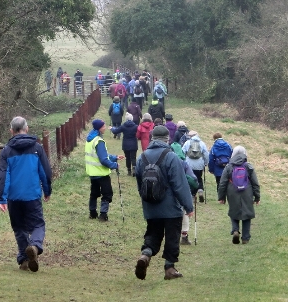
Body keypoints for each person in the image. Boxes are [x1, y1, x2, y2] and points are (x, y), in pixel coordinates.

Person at [134, 125, 194, 280]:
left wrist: (146, 202)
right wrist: (188, 206)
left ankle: (145, 254)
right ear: (167, 138)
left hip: (151, 207)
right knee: (172, 236)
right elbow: (179, 184)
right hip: (171, 208)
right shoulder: (171, 156)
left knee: (153, 233)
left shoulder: (142, 157)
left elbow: (139, 183)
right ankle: (169, 268)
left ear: (152, 138)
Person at [0, 116, 52, 272]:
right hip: (32, 195)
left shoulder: (6, 151)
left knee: (19, 227)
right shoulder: (37, 148)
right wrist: (47, 190)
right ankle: (34, 246)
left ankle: (24, 260)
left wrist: (2, 197)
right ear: (26, 129)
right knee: (38, 224)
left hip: (14, 197)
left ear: (11, 131)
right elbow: (45, 171)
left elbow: (3, 176)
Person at [218, 146, 260, 244]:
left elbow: (223, 183)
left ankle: (235, 230)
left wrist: (221, 197)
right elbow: (255, 183)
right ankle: (245, 238)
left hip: (232, 191)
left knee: (234, 211)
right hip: (247, 191)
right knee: (247, 213)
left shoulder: (229, 167)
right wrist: (257, 197)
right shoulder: (248, 166)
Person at [85, 119, 124, 221]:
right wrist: (114, 165)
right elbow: (103, 159)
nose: (105, 127)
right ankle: (103, 215)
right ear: (99, 128)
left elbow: (101, 155)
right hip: (101, 173)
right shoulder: (99, 141)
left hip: (92, 172)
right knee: (107, 194)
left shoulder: (90, 139)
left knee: (94, 193)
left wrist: (115, 157)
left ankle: (92, 213)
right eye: (103, 126)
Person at [181, 130, 209, 203]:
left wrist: (184, 161)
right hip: (199, 164)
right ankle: (200, 191)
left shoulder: (187, 143)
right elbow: (206, 154)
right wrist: (205, 163)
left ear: (190, 136)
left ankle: (192, 195)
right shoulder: (202, 143)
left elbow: (182, 152)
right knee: (199, 178)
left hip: (189, 164)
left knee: (190, 179)